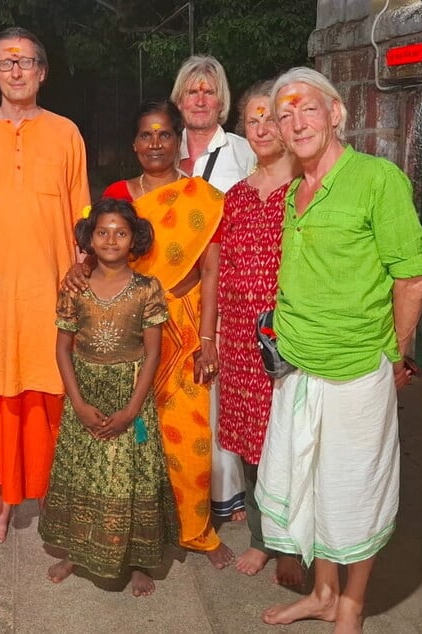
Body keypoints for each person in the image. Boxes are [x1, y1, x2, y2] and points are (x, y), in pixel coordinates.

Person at [255, 67, 422, 631]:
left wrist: (397, 353)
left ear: (336, 113)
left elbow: (411, 277)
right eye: (285, 114)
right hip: (299, 367)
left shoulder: (377, 179)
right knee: (312, 483)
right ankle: (323, 592)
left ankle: (350, 605)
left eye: (307, 108)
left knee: (355, 489)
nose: (295, 121)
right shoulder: (295, 191)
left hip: (358, 367)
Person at [0, 26, 90, 543]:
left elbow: (82, 213)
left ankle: (56, 494)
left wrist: (80, 276)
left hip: (49, 284)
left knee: (51, 386)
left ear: (42, 71)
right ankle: (3, 502)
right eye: (7, 64)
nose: (16, 70)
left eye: (26, 62)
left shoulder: (66, 132)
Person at [93, 99, 233, 568]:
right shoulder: (117, 193)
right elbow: (97, 257)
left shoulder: (202, 196)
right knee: (132, 433)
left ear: (179, 142)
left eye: (164, 135)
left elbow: (211, 271)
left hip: (187, 323)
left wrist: (208, 340)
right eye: (146, 135)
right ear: (134, 144)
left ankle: (195, 530)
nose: (155, 143)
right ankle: (133, 537)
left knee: (189, 433)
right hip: (128, 325)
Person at [39, 198, 175, 598]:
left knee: (128, 480)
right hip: (84, 392)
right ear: (89, 238)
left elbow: (153, 352)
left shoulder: (147, 288)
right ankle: (76, 554)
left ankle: (135, 563)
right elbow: (63, 348)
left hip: (130, 395)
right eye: (103, 232)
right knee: (81, 474)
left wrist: (132, 410)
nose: (111, 239)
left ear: (135, 238)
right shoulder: (75, 288)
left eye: (121, 232)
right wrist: (78, 403)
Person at [216, 82, 304, 584]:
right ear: (243, 131)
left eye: (271, 117)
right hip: (241, 340)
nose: (264, 127)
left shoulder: (305, 187)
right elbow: (220, 266)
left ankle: (292, 542)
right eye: (253, 120)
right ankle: (262, 537)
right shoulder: (237, 197)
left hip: (290, 336)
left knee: (291, 439)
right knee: (251, 441)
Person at [170, 55, 254, 520]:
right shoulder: (164, 145)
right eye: (191, 90)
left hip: (227, 286)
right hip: (176, 290)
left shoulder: (242, 151)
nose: (200, 99)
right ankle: (179, 486)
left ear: (221, 99)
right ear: (179, 99)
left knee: (218, 386)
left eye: (208, 91)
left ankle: (224, 494)